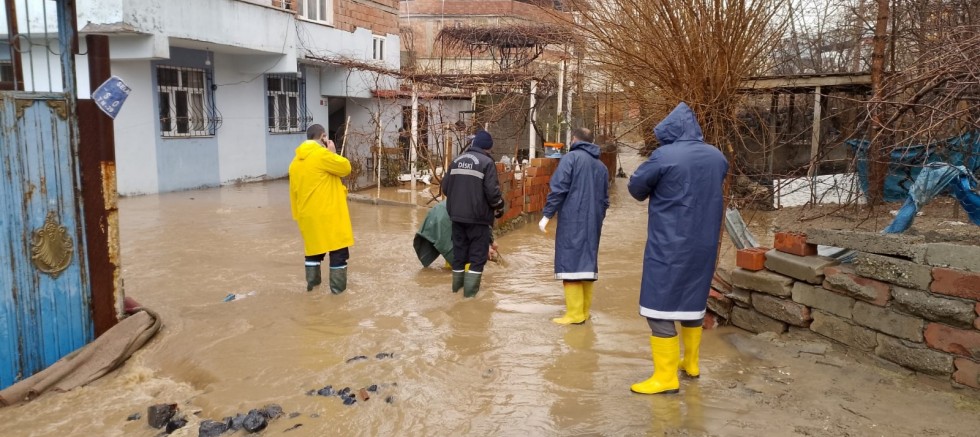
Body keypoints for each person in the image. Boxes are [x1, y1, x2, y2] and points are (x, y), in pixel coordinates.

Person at [626, 102, 728, 394]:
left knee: (657, 307)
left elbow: (636, 190)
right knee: (693, 301)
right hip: (705, 243)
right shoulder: (717, 156)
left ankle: (665, 377)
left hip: (670, 243)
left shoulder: (664, 155)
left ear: (669, 132)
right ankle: (691, 363)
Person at [538, 128, 610, 325]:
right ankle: (584, 313)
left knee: (569, 266)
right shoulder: (601, 166)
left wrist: (546, 215)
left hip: (572, 221)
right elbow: (605, 201)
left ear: (574, 139)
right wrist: (596, 219)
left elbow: (558, 189)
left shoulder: (571, 159)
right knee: (586, 266)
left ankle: (574, 314)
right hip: (593, 223)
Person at [289, 123, 354, 294]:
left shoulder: (294, 162)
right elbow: (345, 168)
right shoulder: (322, 155)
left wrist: (298, 217)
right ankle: (338, 295)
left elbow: (293, 193)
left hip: (307, 216)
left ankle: (312, 290)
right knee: (338, 252)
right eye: (326, 138)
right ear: (323, 137)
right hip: (329, 214)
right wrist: (331, 152)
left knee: (313, 253)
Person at [441, 130, 505, 297]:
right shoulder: (487, 163)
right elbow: (492, 193)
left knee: (459, 256)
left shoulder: (456, 160)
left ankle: (456, 292)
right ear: (487, 147)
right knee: (477, 258)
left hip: (456, 217)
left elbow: (446, 188)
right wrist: (499, 206)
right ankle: (469, 299)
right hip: (478, 219)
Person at [413, 201, 499, 269]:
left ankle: (448, 272)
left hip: (436, 213)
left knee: (450, 247)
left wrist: (490, 242)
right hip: (446, 219)